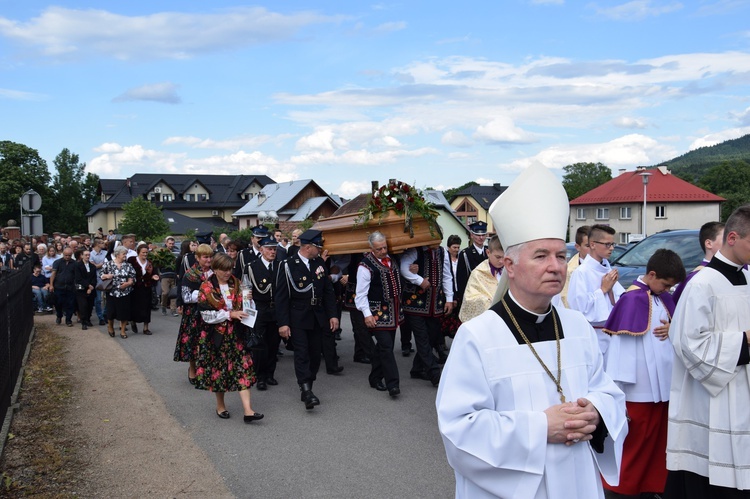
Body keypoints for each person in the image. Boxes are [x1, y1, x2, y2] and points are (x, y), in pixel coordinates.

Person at [436, 163, 627, 499]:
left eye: (560, 255)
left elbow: (608, 391)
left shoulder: (578, 326)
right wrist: (540, 429)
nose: (555, 266)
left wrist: (596, 412)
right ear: (509, 264)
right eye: (541, 256)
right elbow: (459, 429)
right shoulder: (478, 336)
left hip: (578, 482)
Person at [665, 204, 750, 497]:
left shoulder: (749, 278)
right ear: (733, 238)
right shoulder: (702, 284)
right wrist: (744, 343)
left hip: (743, 394)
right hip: (711, 399)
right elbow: (688, 343)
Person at [601, 249, 685, 497]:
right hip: (637, 391)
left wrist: (674, 328)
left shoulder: (663, 297)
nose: (669, 290)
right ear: (651, 274)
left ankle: (652, 485)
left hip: (663, 388)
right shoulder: (631, 300)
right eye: (666, 284)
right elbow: (620, 352)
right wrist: (620, 392)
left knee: (658, 443)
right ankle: (623, 488)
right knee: (636, 444)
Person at [195, 253, 263, 423]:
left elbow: (249, 307)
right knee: (219, 372)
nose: (228, 273)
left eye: (230, 269)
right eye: (224, 269)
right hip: (216, 336)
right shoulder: (207, 287)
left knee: (243, 368)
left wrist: (249, 303)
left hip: (237, 335)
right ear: (215, 269)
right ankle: (220, 405)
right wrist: (230, 314)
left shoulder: (238, 283)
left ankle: (248, 410)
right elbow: (206, 315)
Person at [275, 229, 339, 410]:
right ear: (308, 247)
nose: (320, 250)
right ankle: (306, 390)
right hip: (298, 316)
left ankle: (309, 382)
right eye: (318, 247)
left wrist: (333, 315)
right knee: (302, 353)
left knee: (315, 354)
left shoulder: (318, 262)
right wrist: (283, 323)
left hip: (317, 315)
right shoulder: (288, 265)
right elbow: (281, 297)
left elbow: (327, 291)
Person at [355, 231, 403, 397]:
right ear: (371, 249)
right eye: (379, 249)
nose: (383, 251)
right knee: (387, 347)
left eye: (385, 247)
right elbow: (360, 294)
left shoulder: (393, 259)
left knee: (382, 348)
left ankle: (374, 377)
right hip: (377, 314)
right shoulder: (365, 266)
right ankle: (393, 384)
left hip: (394, 312)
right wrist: (367, 314)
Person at [399, 242, 454, 385]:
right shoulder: (415, 249)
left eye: (439, 240)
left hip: (434, 303)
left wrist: (449, 299)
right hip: (415, 303)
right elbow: (404, 268)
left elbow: (447, 276)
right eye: (434, 240)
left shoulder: (443, 252)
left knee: (431, 336)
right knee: (422, 338)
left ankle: (417, 369)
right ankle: (435, 374)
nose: (437, 243)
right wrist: (419, 280)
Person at [567, 224, 625, 353]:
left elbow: (617, 302)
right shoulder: (581, 272)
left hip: (612, 333)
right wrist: (603, 290)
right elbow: (579, 308)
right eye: (607, 244)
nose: (611, 248)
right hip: (593, 335)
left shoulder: (607, 268)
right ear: (592, 244)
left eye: (612, 244)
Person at [243, 236, 281, 391]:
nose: (272, 252)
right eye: (269, 249)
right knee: (260, 344)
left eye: (274, 249)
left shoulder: (280, 266)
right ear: (261, 250)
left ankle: (270, 373)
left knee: (274, 343)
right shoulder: (251, 267)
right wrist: (246, 303)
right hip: (259, 309)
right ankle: (260, 376)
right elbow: (245, 287)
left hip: (277, 309)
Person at [174, 244, 214, 384]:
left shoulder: (215, 272)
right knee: (193, 342)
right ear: (197, 258)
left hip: (212, 313)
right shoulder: (190, 274)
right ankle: (192, 368)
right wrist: (205, 294)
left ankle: (207, 370)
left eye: (210, 256)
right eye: (205, 257)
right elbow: (186, 296)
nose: (209, 260)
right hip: (194, 313)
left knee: (209, 342)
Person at [672, 221, 724, 303]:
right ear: (709, 243)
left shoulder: (742, 270)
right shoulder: (695, 277)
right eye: (725, 239)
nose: (730, 243)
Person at [458, 235, 504, 323]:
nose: (501, 261)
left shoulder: (509, 270)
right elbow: (470, 299)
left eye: (504, 257)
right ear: (488, 253)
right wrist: (488, 303)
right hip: (487, 320)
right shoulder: (478, 273)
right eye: (498, 257)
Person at [99, 246, 136, 339]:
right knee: (111, 312)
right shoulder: (109, 264)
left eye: (125, 254)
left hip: (125, 292)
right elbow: (101, 275)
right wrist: (107, 276)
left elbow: (133, 277)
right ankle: (110, 326)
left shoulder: (128, 265)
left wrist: (128, 283)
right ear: (117, 254)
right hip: (112, 292)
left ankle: (123, 331)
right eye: (123, 254)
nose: (125, 256)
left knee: (124, 312)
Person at [454, 221, 488, 306]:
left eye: (483, 235)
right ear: (472, 235)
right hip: (472, 296)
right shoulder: (465, 254)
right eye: (477, 235)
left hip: (488, 295)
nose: (481, 238)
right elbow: (461, 279)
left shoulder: (490, 252)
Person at [128, 243, 160, 335]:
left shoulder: (150, 263)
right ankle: (133, 321)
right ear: (138, 252)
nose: (145, 254)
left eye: (146, 253)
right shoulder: (132, 260)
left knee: (146, 307)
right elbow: (128, 272)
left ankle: (146, 328)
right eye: (143, 252)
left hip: (146, 287)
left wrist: (154, 277)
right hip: (135, 288)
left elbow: (154, 273)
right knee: (135, 307)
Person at [560, 225, 590, 308]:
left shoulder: (603, 265)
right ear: (578, 247)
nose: (592, 249)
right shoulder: (569, 271)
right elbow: (566, 300)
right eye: (587, 246)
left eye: (594, 245)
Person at [50, 248, 77, 326]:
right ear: (63, 254)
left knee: (70, 304)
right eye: (66, 255)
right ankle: (59, 316)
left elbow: (76, 275)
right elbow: (53, 274)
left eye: (69, 255)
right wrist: (51, 285)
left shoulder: (75, 264)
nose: (67, 257)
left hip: (70, 287)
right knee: (58, 303)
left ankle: (68, 319)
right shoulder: (57, 262)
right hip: (59, 286)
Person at [74, 249, 98, 330]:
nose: (87, 256)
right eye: (86, 255)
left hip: (91, 289)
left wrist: (91, 287)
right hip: (81, 289)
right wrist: (87, 286)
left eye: (88, 255)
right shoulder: (77, 265)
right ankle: (83, 321)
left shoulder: (92, 266)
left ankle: (88, 319)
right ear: (82, 256)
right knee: (83, 305)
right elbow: (78, 278)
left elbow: (94, 278)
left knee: (90, 305)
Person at [159, 236, 179, 317]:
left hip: (174, 275)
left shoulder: (177, 252)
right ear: (166, 243)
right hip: (165, 274)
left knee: (173, 293)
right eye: (169, 243)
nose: (171, 245)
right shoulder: (162, 252)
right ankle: (163, 305)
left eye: (172, 243)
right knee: (165, 292)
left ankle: (173, 309)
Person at [89, 238, 108, 325]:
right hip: (96, 279)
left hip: (105, 278)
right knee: (98, 300)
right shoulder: (91, 254)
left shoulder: (105, 253)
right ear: (97, 244)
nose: (104, 244)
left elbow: (107, 264)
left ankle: (105, 314)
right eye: (101, 243)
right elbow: (93, 267)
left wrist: (99, 265)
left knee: (107, 298)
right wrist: (101, 264)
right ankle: (100, 317)